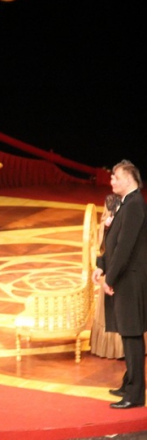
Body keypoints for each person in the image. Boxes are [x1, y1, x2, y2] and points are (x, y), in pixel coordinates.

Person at [92, 159, 147, 409]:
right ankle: (129, 383)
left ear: (128, 179)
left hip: (131, 281)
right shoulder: (125, 203)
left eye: (115, 177)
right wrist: (102, 265)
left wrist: (110, 279)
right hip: (123, 278)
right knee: (127, 332)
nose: (111, 180)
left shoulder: (135, 205)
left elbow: (125, 248)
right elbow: (113, 240)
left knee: (132, 333)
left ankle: (135, 395)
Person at [90, 193, 124, 359]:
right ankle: (113, 347)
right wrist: (107, 226)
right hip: (111, 266)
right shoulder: (111, 202)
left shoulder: (134, 207)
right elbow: (105, 249)